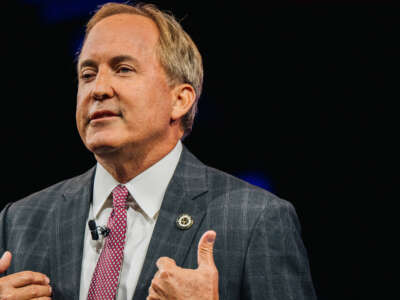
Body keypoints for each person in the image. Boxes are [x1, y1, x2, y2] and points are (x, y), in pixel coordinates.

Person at [0, 2, 316, 300]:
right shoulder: (21, 220)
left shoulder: (256, 219)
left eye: (123, 69)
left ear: (180, 100)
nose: (98, 89)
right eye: (87, 74)